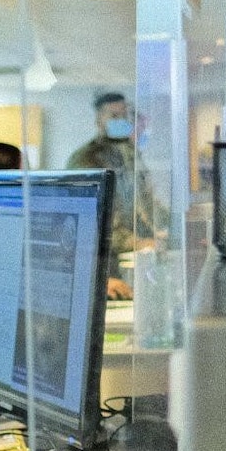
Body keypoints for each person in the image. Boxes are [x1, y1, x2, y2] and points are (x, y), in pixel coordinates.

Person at [67, 92, 138, 299]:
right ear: (99, 120)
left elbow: (144, 202)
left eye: (124, 116)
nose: (121, 121)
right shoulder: (86, 160)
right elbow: (88, 222)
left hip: (123, 262)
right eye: (114, 116)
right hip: (96, 265)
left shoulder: (128, 155)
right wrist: (139, 242)